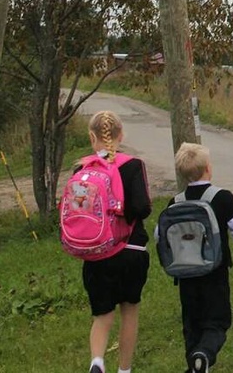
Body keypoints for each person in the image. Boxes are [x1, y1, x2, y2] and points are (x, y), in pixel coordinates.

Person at [169, 142, 233, 373]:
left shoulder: (176, 202)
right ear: (207, 169)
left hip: (185, 273)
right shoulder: (222, 198)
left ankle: (195, 363)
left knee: (191, 324)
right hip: (215, 270)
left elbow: (160, 235)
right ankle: (204, 354)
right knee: (218, 321)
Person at [78, 110, 152, 373]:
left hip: (97, 252)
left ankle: (97, 360)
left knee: (102, 315)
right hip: (131, 249)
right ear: (121, 135)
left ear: (91, 137)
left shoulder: (83, 168)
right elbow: (143, 207)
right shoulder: (132, 165)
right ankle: (124, 369)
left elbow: (82, 212)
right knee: (129, 310)